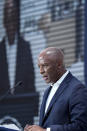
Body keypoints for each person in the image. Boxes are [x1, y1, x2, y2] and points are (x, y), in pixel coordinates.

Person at [24, 47, 87, 131]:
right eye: (39, 67)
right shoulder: (47, 91)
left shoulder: (77, 89)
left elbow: (80, 126)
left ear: (59, 65)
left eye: (45, 65)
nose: (41, 71)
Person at [0, 0, 35, 95]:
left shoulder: (25, 48)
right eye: (8, 19)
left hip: (22, 107)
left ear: (17, 21)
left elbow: (30, 84)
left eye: (13, 18)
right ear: (4, 22)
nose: (10, 23)